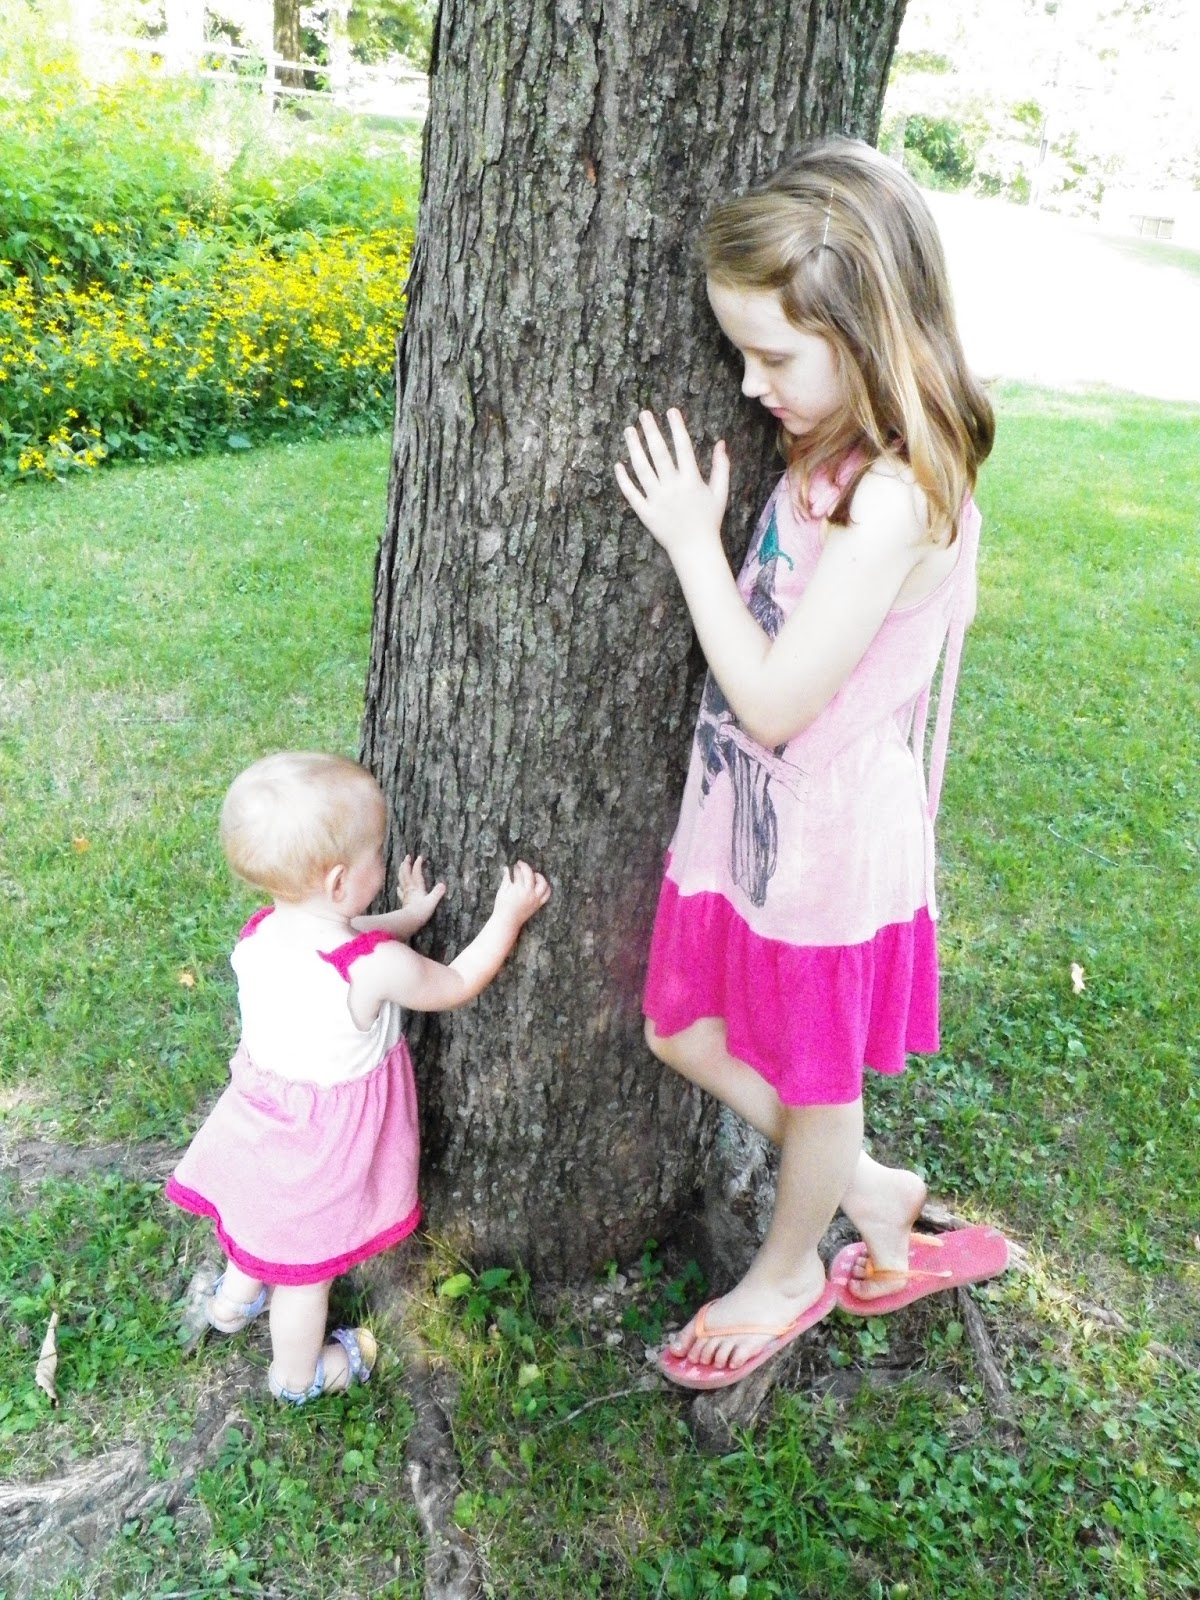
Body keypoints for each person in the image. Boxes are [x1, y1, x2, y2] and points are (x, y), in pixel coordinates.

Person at [615, 138, 1007, 1391]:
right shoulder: (842, 443)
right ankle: (874, 1191)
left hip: (827, 832)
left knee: (815, 1077)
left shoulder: (895, 495)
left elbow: (779, 703)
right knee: (681, 1029)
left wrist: (691, 539)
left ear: (870, 329)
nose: (749, 381)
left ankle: (790, 1268)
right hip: (756, 818)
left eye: (774, 356)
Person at [166, 751, 550, 1403]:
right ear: (341, 881)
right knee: (304, 1275)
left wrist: (411, 916)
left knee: (261, 1218)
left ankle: (232, 1302)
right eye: (378, 851)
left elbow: (349, 930)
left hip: (261, 1123)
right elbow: (457, 981)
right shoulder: (373, 967)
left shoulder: (262, 933)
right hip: (320, 1150)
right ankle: (299, 1376)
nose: (384, 856)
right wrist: (507, 917)